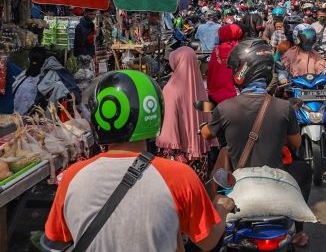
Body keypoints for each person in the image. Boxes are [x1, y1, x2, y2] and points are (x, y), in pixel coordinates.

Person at [44, 70, 231, 252]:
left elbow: (57, 237)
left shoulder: (72, 177)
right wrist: (222, 207)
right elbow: (207, 241)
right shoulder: (179, 177)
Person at [203, 39, 312, 247]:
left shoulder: (225, 108)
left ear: (242, 71)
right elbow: (296, 142)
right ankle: (299, 231)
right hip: (277, 180)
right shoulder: (283, 107)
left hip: (238, 182)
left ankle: (214, 237)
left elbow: (207, 134)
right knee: (304, 170)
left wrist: (202, 127)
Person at [157, 47, 217, 178]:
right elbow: (208, 121)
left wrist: (175, 151)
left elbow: (169, 125)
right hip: (201, 155)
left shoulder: (171, 89)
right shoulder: (201, 88)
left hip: (180, 158)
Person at [207, 24, 243, 104]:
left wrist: (209, 88)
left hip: (217, 94)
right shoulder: (241, 49)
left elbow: (211, 71)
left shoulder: (216, 50)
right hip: (238, 95)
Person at [12, 46, 47, 115]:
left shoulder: (22, 76)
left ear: (28, 59)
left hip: (17, 118)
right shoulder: (47, 79)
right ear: (45, 61)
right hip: (32, 121)